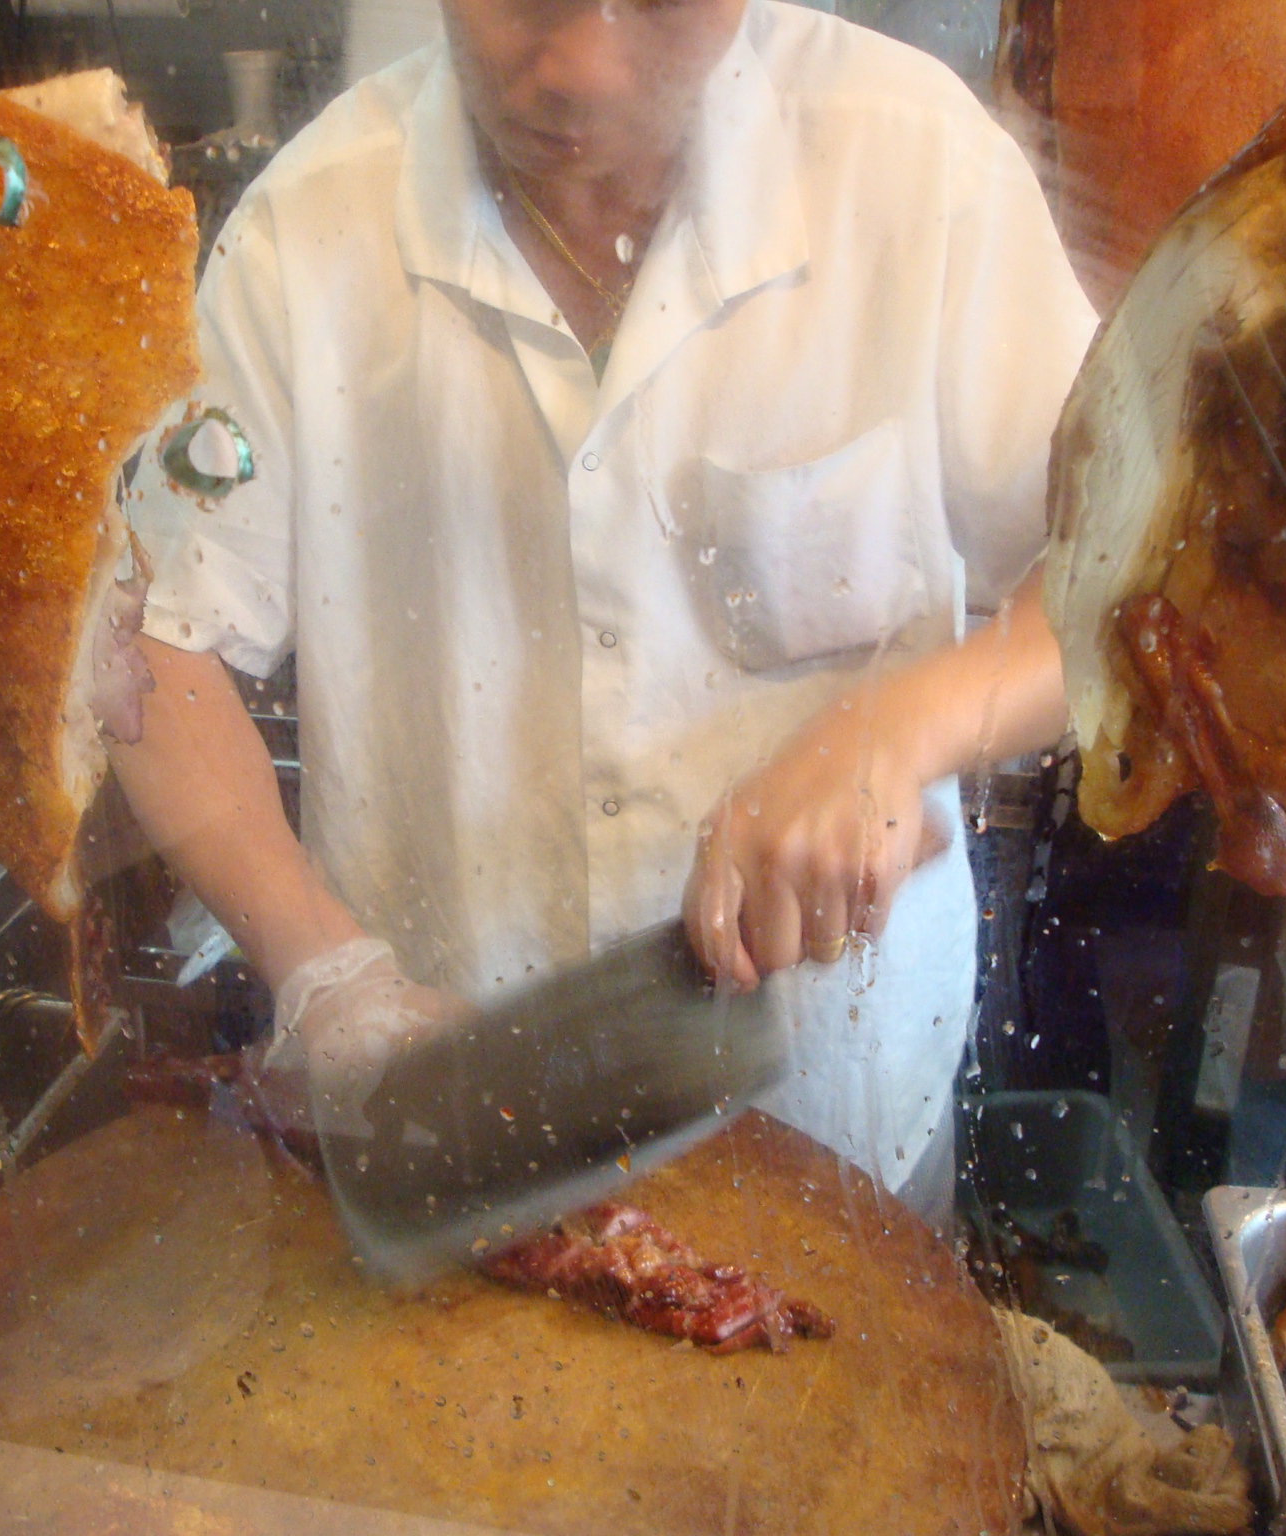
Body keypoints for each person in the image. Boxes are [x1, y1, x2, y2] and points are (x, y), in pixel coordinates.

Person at [103, 0, 1099, 1224]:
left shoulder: (912, 168)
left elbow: (1119, 577)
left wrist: (899, 730)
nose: (576, 68)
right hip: (462, 1132)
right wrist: (326, 975)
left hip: (839, 1115)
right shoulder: (309, 235)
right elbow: (152, 639)